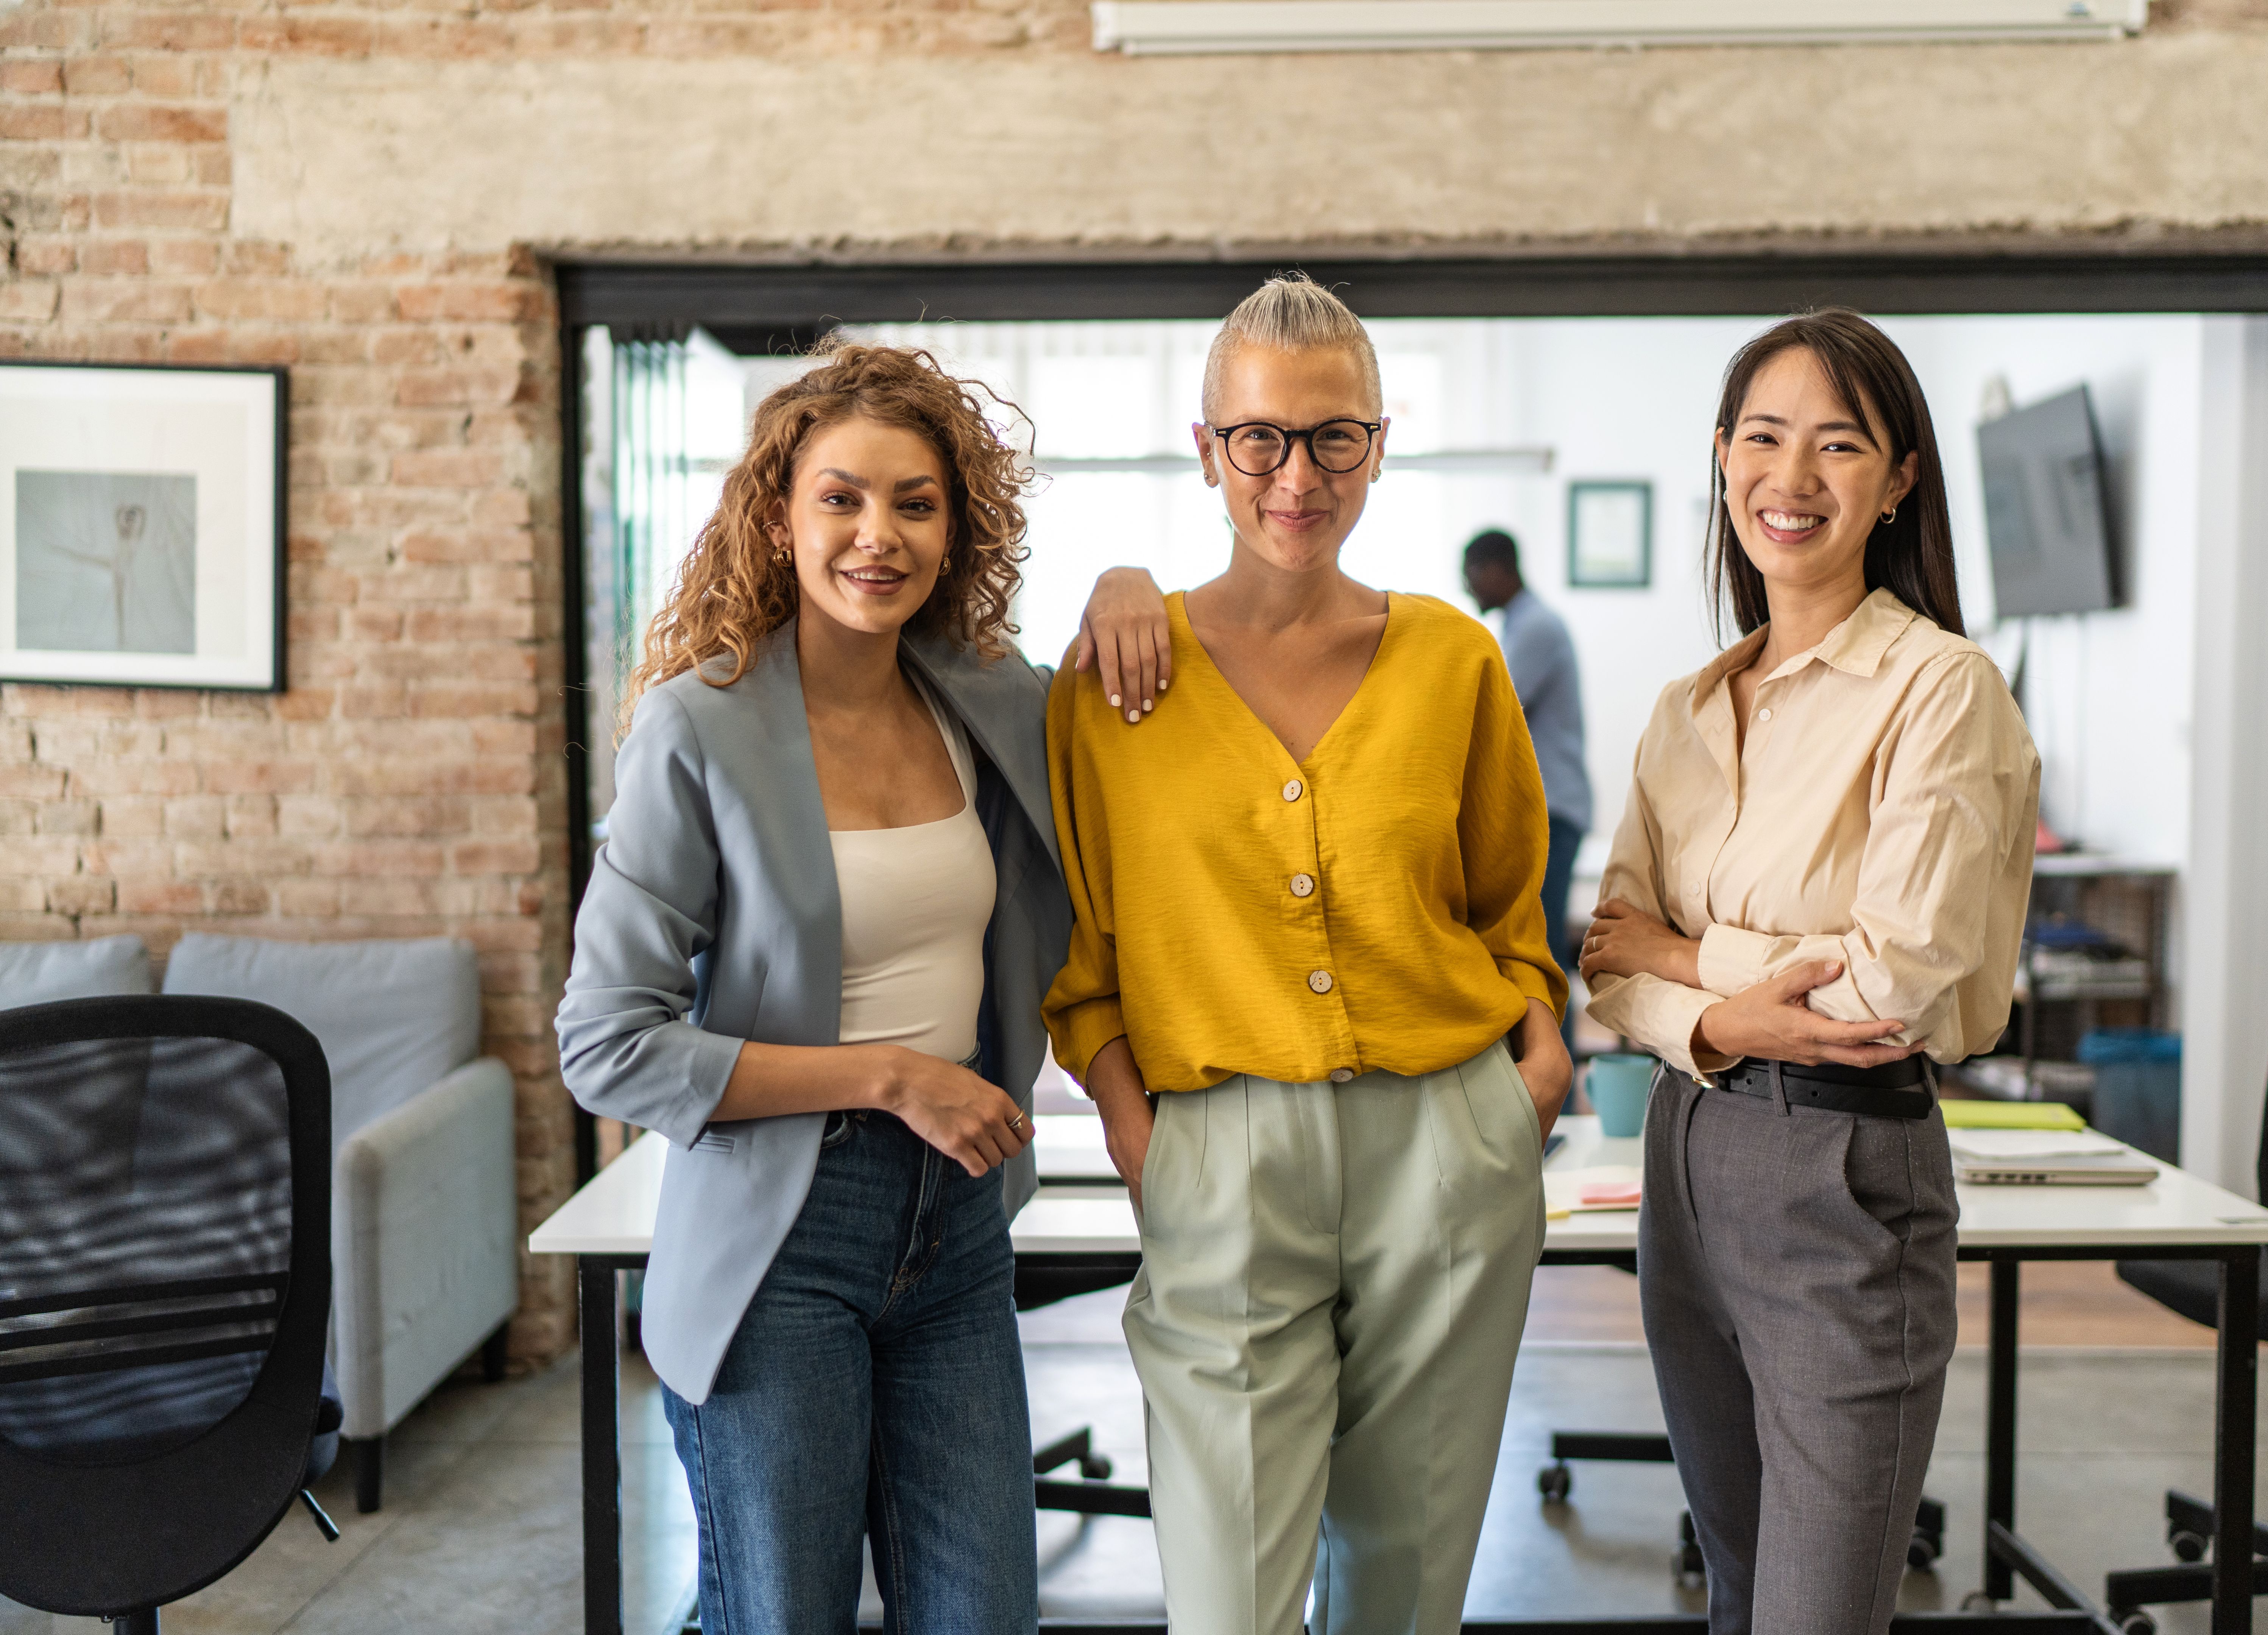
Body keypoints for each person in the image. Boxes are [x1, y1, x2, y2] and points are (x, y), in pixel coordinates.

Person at [1043, 274, 1575, 1635]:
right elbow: (1077, 944)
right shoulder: (1111, 681)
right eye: (1261, 437)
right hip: (1220, 1148)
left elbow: (1516, 905)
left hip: (1449, 1144)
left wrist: (1535, 1069)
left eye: (1334, 435)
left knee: (1405, 1595)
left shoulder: (1455, 660)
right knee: (1228, 1600)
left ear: (1380, 444)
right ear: (1208, 446)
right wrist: (1130, 1122)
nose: (1297, 473)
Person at [556, 344, 1076, 1635]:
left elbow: (1156, 724)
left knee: (986, 1616)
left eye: (916, 502)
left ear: (958, 530)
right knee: (784, 1616)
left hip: (955, 1231)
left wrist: (1126, 587)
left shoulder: (997, 706)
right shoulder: (700, 725)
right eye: (841, 498)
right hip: (781, 1238)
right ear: (780, 518)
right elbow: (605, 1045)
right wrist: (893, 1077)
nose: (876, 535)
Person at [1580, 310, 2040, 1635]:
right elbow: (1609, 961)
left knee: (1816, 1616)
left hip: (1842, 1173)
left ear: (1899, 481)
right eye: (1765, 438)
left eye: (1839, 445)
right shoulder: (1687, 707)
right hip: (1686, 1161)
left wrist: (1687, 961)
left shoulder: (1941, 692)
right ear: (1723, 460)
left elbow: (1883, 991)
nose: (1794, 478)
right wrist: (1723, 1003)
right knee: (1736, 1591)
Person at [1463, 527, 1592, 987]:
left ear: (1496, 570)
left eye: (1471, 575)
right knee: (1538, 943)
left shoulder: (1535, 627)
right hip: (1553, 807)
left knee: (1539, 947)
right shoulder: (1524, 624)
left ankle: (1559, 1058)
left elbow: (1492, 709)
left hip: (1551, 809)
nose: (1467, 587)